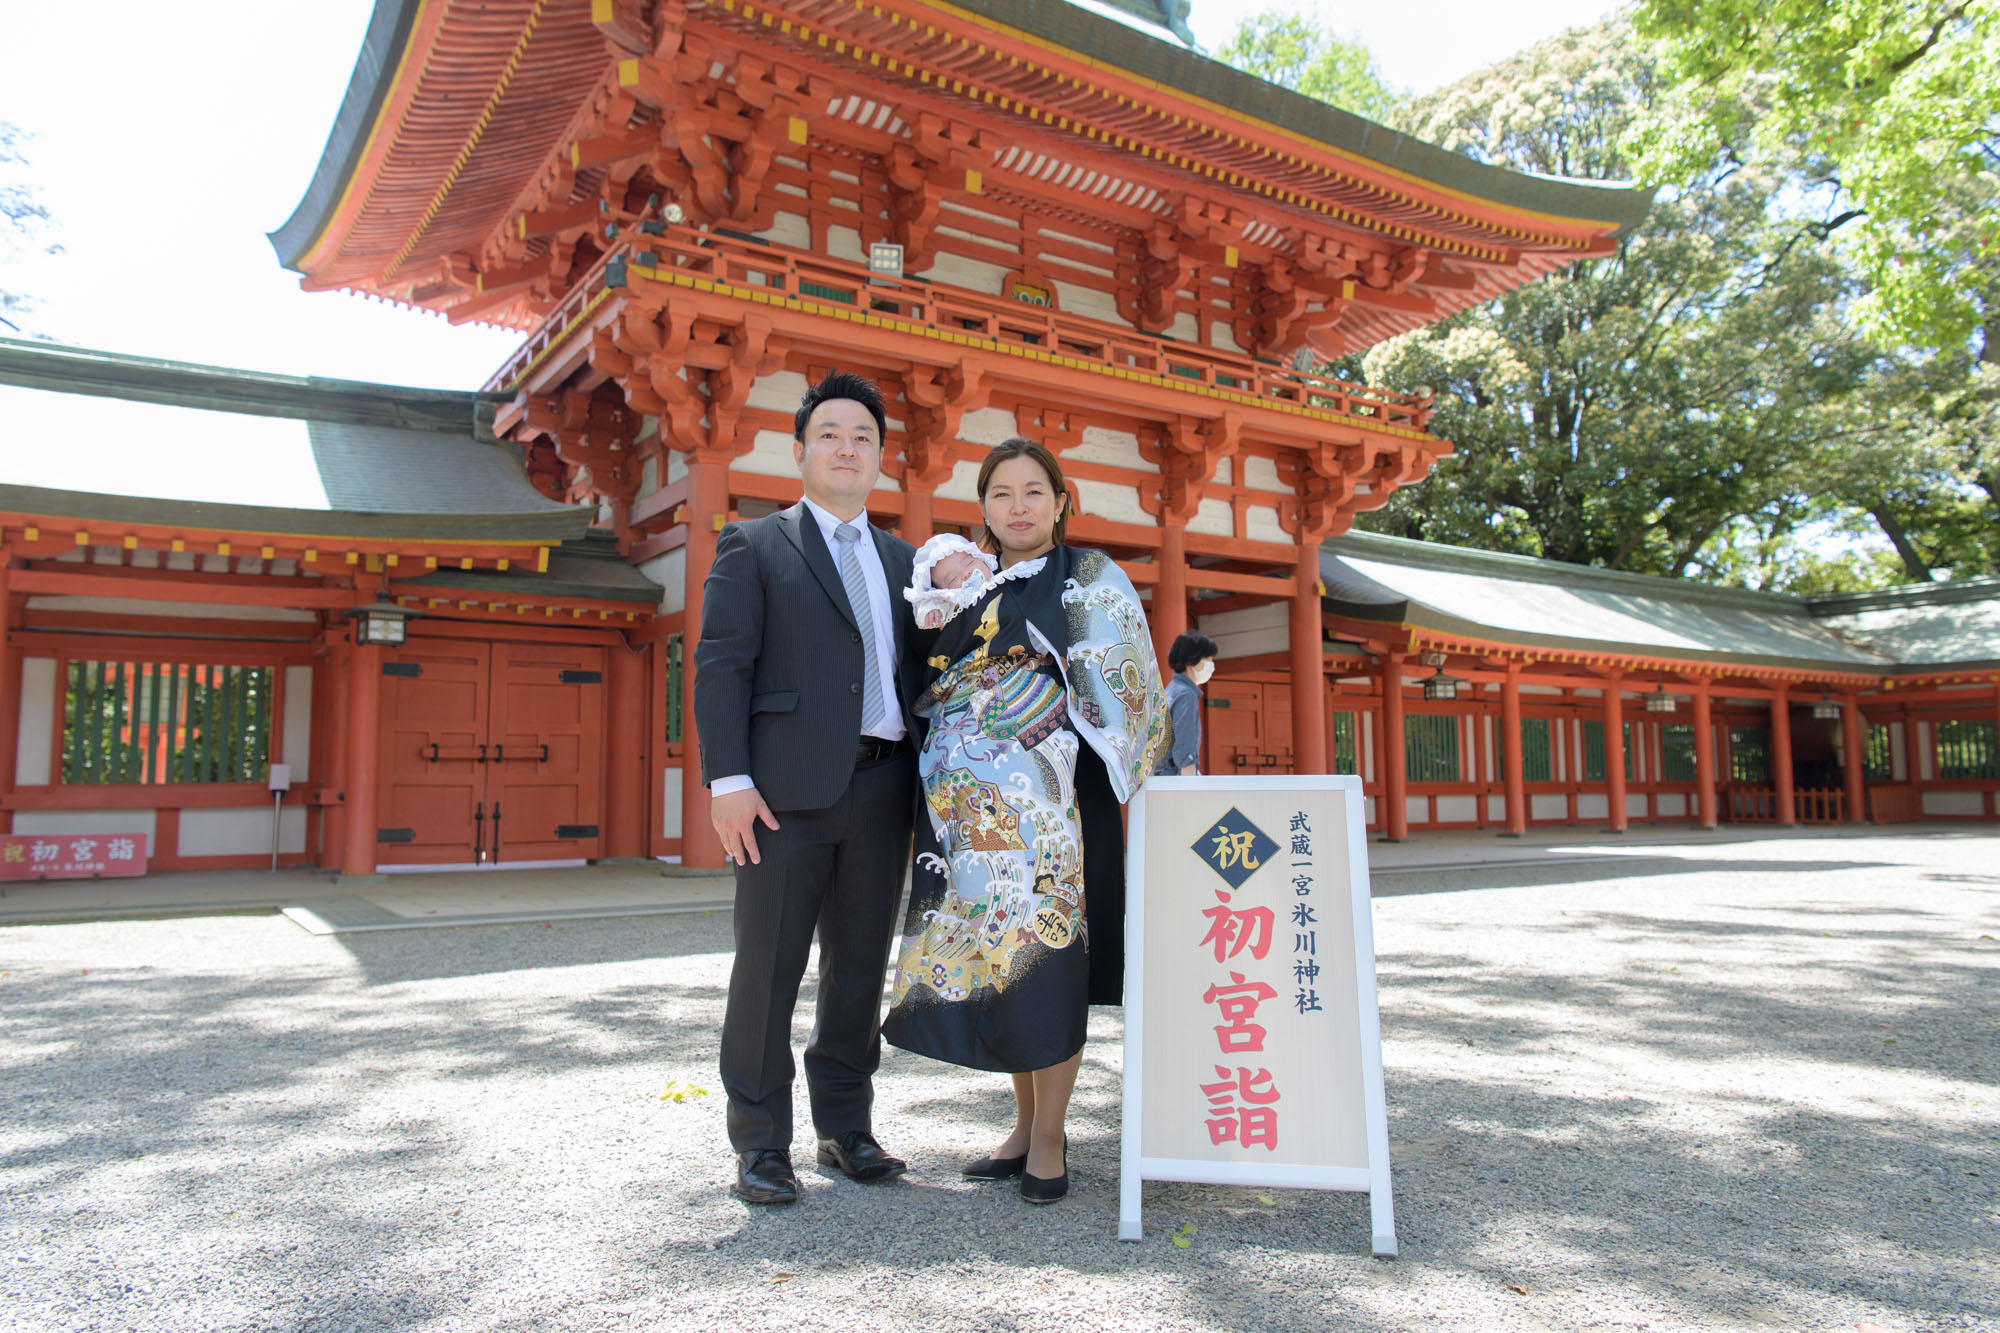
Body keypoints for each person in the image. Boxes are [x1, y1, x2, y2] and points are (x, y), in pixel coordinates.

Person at [880, 437, 1170, 1204]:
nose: (1018, 506)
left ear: (1060, 501)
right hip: (973, 815)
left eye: (1033, 491)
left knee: (1050, 958)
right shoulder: (968, 587)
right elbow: (923, 671)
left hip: (1056, 810)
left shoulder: (1089, 579)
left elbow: (1127, 682)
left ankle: (1050, 1134)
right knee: (1001, 958)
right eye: (1002, 493)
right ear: (983, 508)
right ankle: (1021, 1123)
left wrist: (1062, 705)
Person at [693, 369, 924, 1206]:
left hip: (884, 787)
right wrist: (728, 779)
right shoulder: (755, 546)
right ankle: (760, 1142)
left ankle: (845, 1127)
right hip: (782, 797)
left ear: (879, 458)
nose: (847, 447)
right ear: (800, 451)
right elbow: (721, 665)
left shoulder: (907, 562)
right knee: (769, 968)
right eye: (830, 433)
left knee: (859, 968)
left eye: (863, 436)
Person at [1156, 631, 1219, 776]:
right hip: (1174, 778)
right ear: (1193, 661)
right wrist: (1190, 786)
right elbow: (1185, 751)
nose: (1212, 666)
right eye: (1208, 660)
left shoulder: (1171, 689)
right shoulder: (1186, 695)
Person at [904, 532, 997, 630]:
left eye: (969, 563)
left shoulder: (1003, 578)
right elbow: (929, 605)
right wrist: (933, 610)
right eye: (952, 579)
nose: (966, 573)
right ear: (941, 591)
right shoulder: (952, 602)